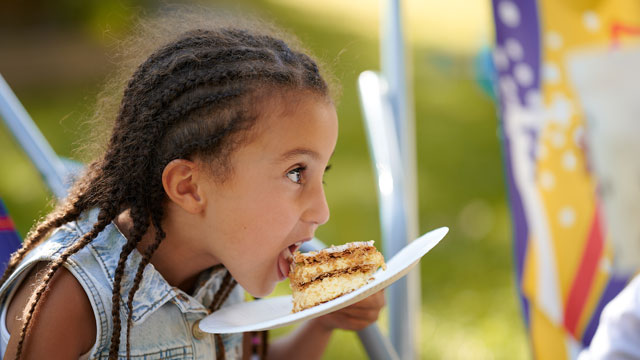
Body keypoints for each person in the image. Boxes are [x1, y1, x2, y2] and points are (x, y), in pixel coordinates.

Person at [0, 10, 385, 360]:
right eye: (296, 173)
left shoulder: (224, 268)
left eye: (321, 176)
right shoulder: (71, 296)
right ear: (189, 188)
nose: (322, 210)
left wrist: (322, 323)